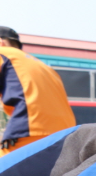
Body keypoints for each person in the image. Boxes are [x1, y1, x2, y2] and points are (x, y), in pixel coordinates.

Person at [0, 27, 76, 156]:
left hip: (30, 127)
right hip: (65, 132)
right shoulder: (43, 66)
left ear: (2, 43)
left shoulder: (3, 53)